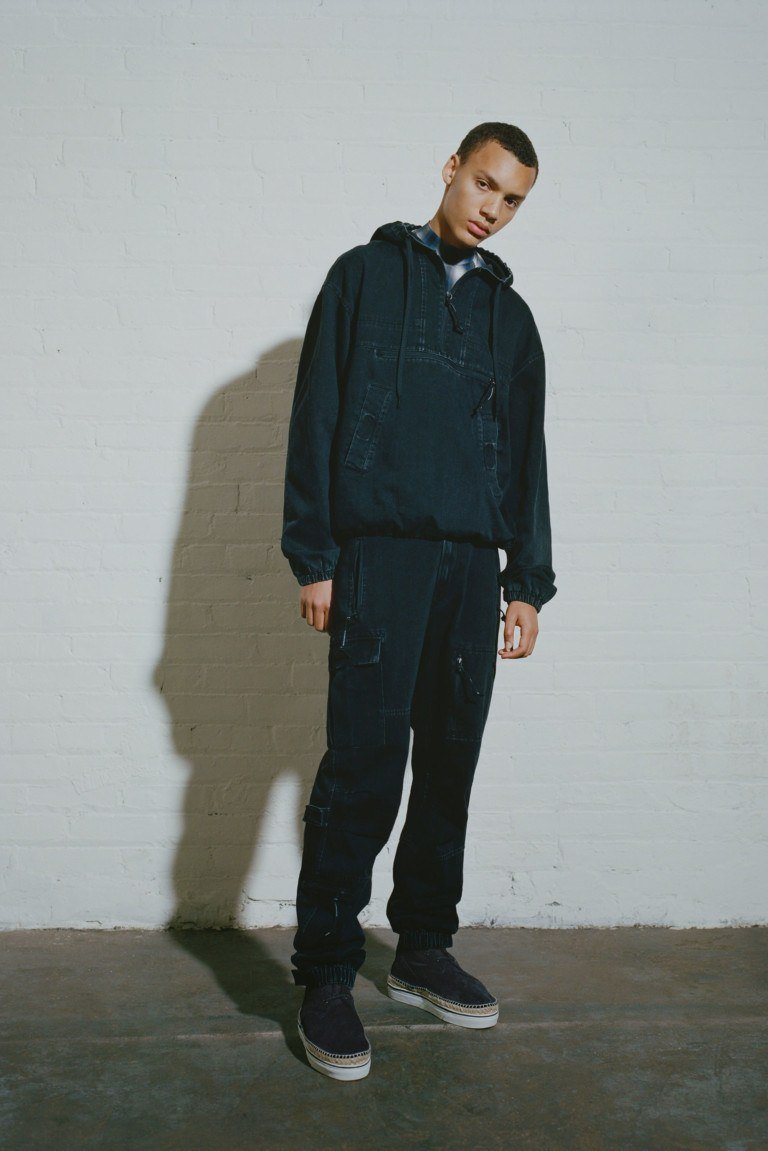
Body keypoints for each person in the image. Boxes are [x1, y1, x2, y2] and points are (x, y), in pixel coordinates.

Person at [281, 121, 557, 1080]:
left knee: (449, 761)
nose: (493, 209)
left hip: (471, 568)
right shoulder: (362, 276)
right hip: (379, 557)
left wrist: (527, 580)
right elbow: (316, 412)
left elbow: (526, 458)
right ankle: (327, 973)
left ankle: (424, 947)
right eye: (484, 184)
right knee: (362, 767)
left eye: (512, 199)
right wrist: (315, 557)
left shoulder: (510, 320)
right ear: (451, 169)